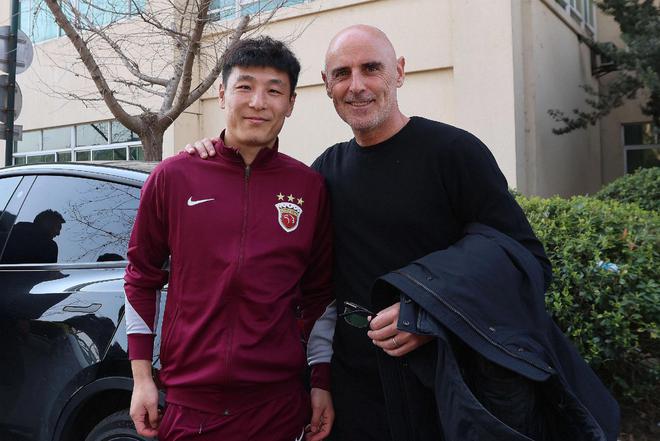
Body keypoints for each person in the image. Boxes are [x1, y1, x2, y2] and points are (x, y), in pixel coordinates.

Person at [185, 25, 619, 441]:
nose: (356, 85)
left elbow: (525, 261)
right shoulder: (325, 172)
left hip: (443, 396)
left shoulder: (454, 153)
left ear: (399, 72)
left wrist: (430, 314)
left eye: (371, 68)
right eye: (342, 73)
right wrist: (212, 158)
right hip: (353, 398)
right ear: (327, 84)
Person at [125, 36, 334, 441]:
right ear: (222, 94)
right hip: (191, 408)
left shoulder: (309, 187)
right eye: (245, 86)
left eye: (274, 90)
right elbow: (140, 277)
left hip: (278, 407)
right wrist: (141, 377)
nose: (258, 102)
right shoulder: (173, 177)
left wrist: (321, 381)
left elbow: (319, 294)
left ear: (291, 103)